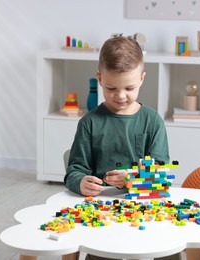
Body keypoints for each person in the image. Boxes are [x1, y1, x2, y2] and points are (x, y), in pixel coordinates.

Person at [64, 36, 169, 197]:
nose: (120, 96)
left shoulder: (152, 121)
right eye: (111, 88)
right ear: (99, 79)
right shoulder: (89, 122)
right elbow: (75, 171)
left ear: (141, 79)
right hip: (99, 204)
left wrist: (132, 178)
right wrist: (80, 183)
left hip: (141, 202)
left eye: (129, 88)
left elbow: (161, 177)